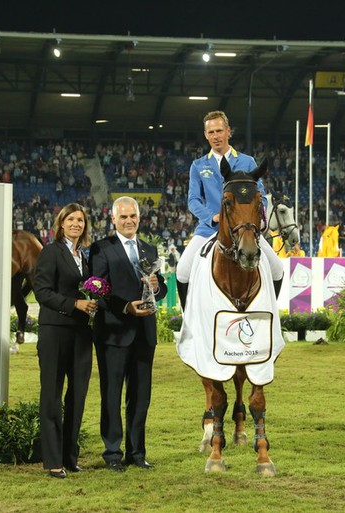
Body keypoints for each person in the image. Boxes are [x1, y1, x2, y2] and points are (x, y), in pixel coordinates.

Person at [89, 196, 167, 472]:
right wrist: (125, 307)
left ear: (139, 217)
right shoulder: (101, 248)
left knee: (140, 396)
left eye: (132, 216)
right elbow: (97, 289)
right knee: (111, 395)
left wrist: (157, 287)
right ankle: (112, 453)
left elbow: (162, 291)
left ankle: (137, 453)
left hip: (145, 334)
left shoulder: (149, 249)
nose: (129, 221)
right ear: (113, 220)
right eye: (123, 217)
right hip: (114, 333)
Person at [175, 110, 283, 307]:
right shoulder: (198, 166)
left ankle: (270, 312)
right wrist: (212, 217)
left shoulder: (248, 161)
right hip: (210, 229)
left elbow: (261, 197)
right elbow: (193, 200)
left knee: (277, 268)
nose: (216, 136)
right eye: (211, 132)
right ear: (206, 135)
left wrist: (257, 218)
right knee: (182, 271)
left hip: (244, 229)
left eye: (219, 131)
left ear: (228, 131)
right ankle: (187, 320)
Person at [33, 203, 97, 479]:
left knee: (77, 395)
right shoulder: (50, 251)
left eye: (80, 220)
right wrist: (75, 304)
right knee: (52, 395)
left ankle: (70, 457)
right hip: (55, 331)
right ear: (61, 224)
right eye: (71, 219)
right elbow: (42, 291)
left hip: (82, 333)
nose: (76, 224)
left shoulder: (84, 255)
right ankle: (52, 460)